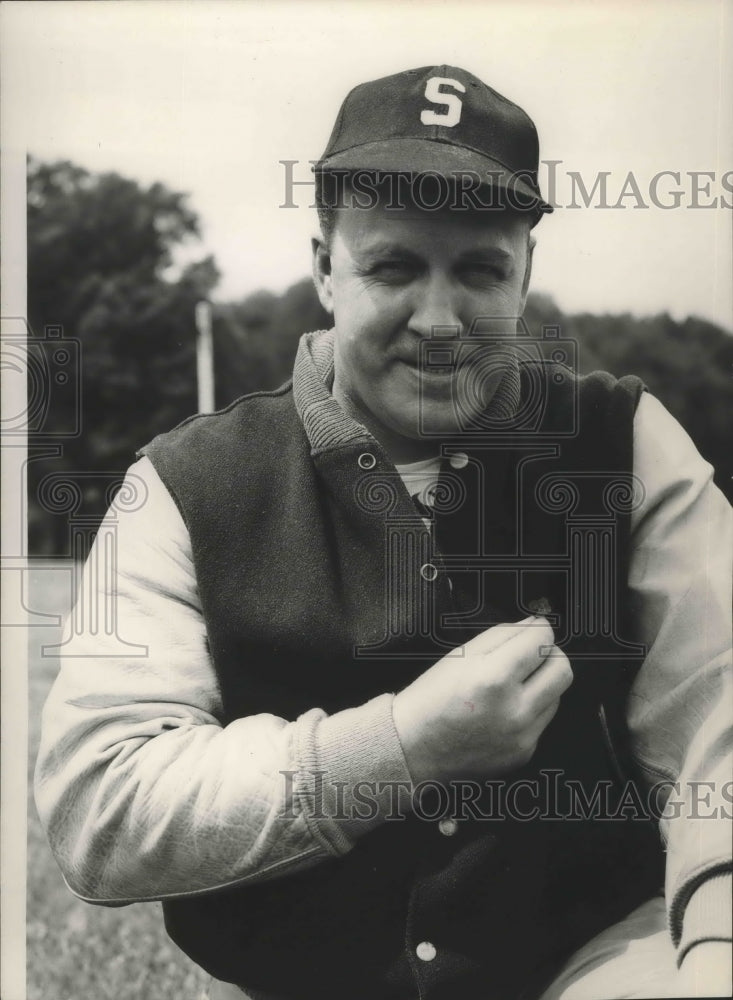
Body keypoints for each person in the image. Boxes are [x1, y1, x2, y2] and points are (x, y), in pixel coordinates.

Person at [35, 65, 731, 1000]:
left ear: (525, 273)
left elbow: (716, 728)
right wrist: (401, 746)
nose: (439, 321)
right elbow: (100, 809)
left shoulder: (623, 440)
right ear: (324, 266)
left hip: (591, 960)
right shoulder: (181, 482)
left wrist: (718, 949)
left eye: (480, 269)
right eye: (393, 266)